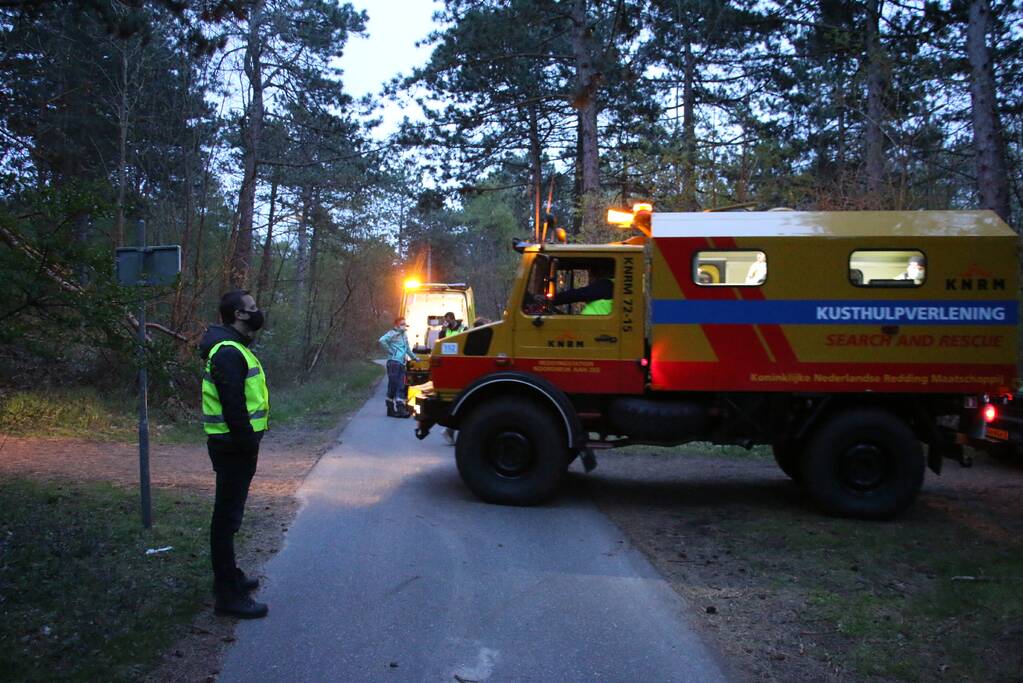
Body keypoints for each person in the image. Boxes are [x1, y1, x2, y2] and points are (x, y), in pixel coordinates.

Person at [198, 290, 270, 619]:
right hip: (233, 445)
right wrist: (248, 442)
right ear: (239, 315)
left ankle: (231, 577)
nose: (258, 313)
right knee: (226, 519)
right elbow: (233, 407)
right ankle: (227, 596)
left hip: (234, 444)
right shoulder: (227, 351)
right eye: (252, 308)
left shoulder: (234, 347)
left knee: (230, 516)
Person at [534, 263, 614, 315]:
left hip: (596, 330)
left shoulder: (607, 285)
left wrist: (550, 299)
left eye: (591, 275)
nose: (590, 279)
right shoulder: (611, 285)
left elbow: (579, 294)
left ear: (601, 273)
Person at [379, 317, 417, 418]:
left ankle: (400, 409)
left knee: (400, 385)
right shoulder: (392, 333)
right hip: (393, 363)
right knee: (394, 385)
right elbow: (382, 340)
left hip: (401, 363)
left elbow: (407, 348)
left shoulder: (404, 335)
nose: (404, 326)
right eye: (402, 324)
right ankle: (392, 409)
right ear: (396, 325)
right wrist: (390, 351)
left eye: (405, 324)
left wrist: (415, 358)